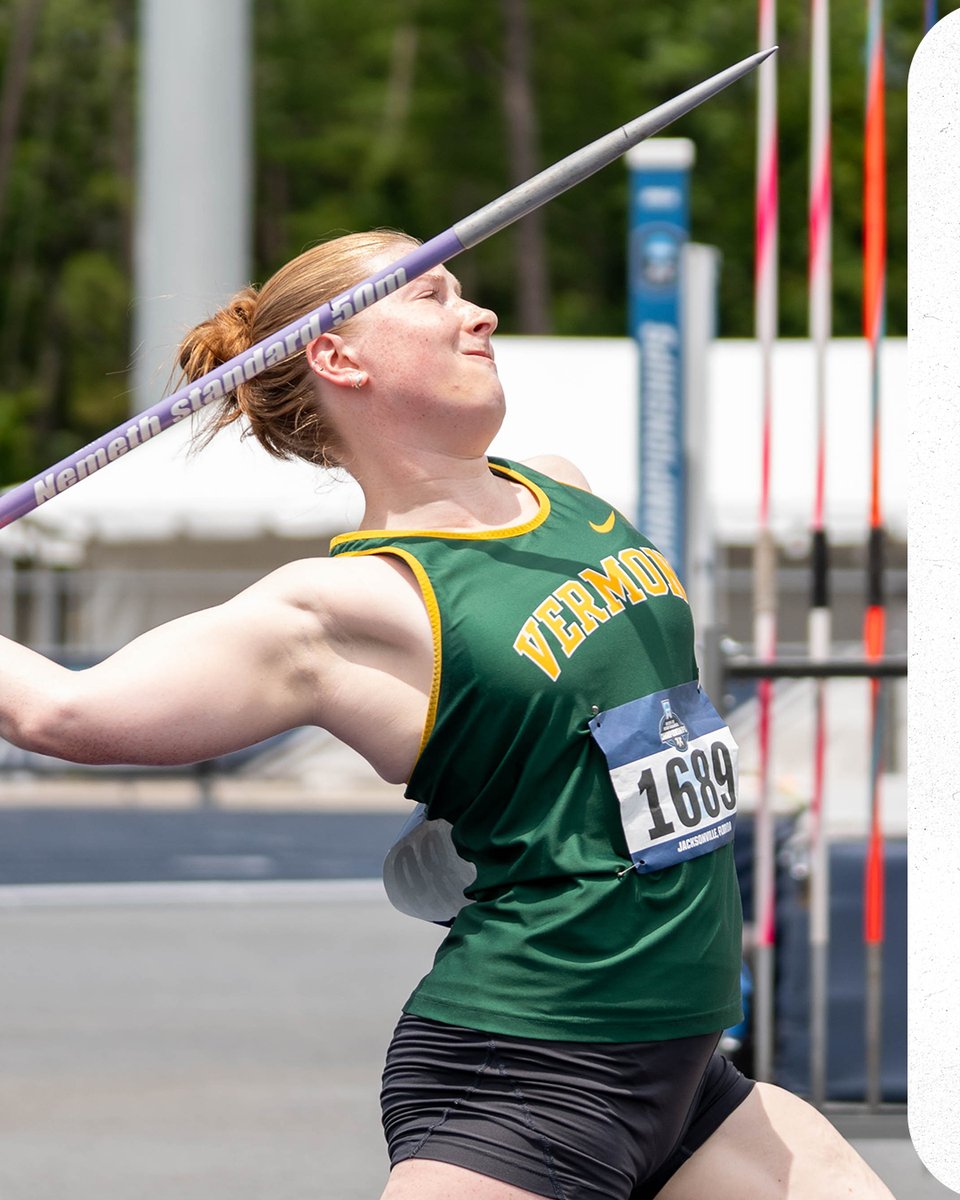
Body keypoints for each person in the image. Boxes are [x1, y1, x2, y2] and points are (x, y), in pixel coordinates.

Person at [1, 230, 894, 1199]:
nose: (479, 313)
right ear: (338, 355)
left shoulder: (562, 491)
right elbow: (62, 712)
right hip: (527, 1079)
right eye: (429, 297)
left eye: (462, 289)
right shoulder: (347, 607)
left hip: (684, 1069)